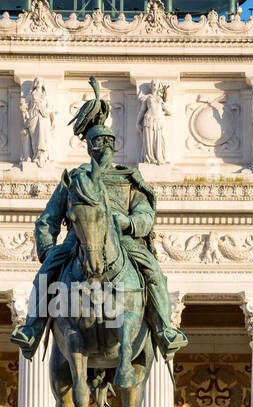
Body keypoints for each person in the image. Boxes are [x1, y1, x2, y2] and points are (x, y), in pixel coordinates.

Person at [10, 78, 186, 386]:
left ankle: (163, 329)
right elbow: (47, 221)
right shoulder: (74, 180)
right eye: (95, 143)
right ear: (88, 147)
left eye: (106, 143)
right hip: (78, 244)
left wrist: (128, 223)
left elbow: (146, 215)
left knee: (154, 273)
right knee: (46, 274)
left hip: (124, 245)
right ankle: (33, 328)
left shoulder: (129, 179)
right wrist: (49, 250)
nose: (101, 148)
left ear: (114, 146)